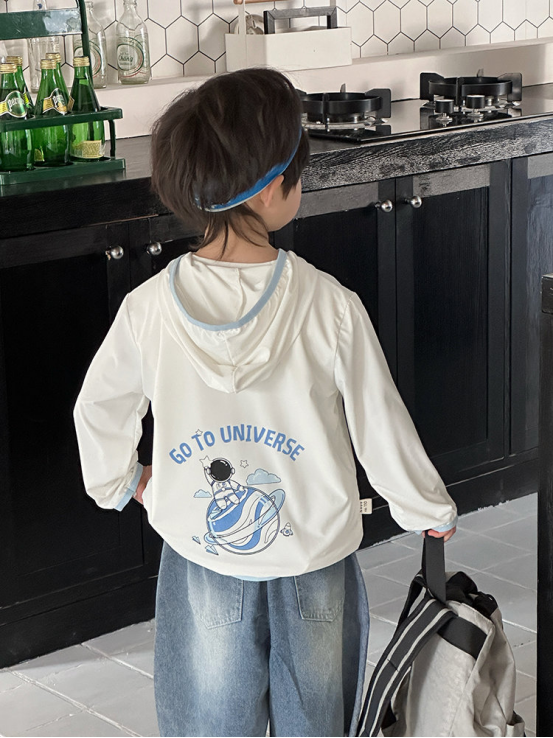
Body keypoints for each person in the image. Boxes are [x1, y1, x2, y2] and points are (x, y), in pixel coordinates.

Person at [73, 68, 457, 738]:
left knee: (212, 714)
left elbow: (99, 408)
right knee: (316, 711)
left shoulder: (148, 308)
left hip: (202, 550)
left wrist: (123, 481)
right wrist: (427, 509)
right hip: (314, 554)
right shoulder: (330, 305)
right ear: (273, 188)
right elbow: (379, 424)